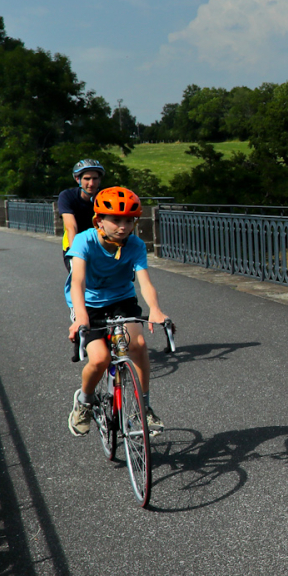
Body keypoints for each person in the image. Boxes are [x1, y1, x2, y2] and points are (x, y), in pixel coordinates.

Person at [65, 187, 169, 436]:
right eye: (116, 220)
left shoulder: (135, 244)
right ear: (99, 220)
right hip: (88, 303)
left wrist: (155, 309)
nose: (123, 227)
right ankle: (84, 402)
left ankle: (142, 408)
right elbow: (77, 281)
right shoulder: (84, 241)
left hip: (122, 299)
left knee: (138, 344)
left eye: (129, 221)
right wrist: (81, 317)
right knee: (100, 358)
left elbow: (144, 281)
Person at [59, 159, 105, 273]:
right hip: (75, 243)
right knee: (81, 281)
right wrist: (76, 253)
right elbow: (71, 226)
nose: (91, 183)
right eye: (87, 179)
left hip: (102, 245)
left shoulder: (105, 196)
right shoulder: (67, 196)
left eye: (95, 179)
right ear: (77, 179)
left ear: (99, 180)